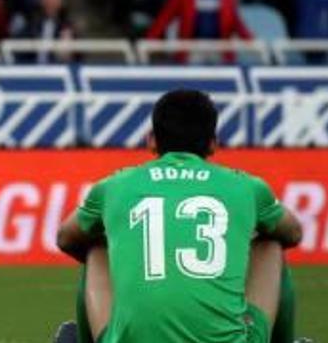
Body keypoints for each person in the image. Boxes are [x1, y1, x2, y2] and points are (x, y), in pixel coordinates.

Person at [57, 89, 303, 343]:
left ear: (151, 140)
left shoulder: (113, 186)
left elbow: (66, 237)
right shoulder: (248, 187)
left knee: (96, 247)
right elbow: (293, 232)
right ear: (212, 143)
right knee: (271, 244)